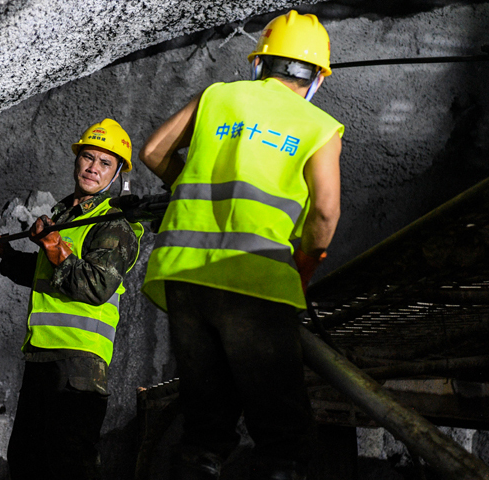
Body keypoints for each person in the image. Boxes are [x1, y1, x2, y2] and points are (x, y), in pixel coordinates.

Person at [139, 11, 343, 480]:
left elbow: (153, 151)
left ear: (260, 63)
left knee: (205, 429)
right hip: (256, 279)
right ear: (316, 78)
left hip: (184, 277)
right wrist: (304, 268)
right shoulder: (320, 127)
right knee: (282, 435)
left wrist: (190, 187)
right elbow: (326, 213)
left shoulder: (218, 96)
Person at [0, 118, 143, 480]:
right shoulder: (67, 217)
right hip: (43, 358)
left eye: (104, 163)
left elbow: (95, 285)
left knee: (69, 464)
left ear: (117, 175)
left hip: (79, 366)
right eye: (88, 157)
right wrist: (4, 253)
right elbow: (50, 275)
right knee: (28, 460)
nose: (93, 168)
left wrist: (53, 246)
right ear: (76, 159)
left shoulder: (114, 224)